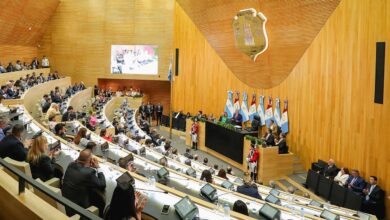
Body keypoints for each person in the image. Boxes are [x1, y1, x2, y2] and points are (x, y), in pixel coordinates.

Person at [62, 149, 106, 217]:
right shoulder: (89, 172)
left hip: (64, 202)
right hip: (76, 210)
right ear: (90, 160)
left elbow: (79, 161)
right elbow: (102, 184)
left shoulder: (71, 165)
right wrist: (98, 167)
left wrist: (87, 164)